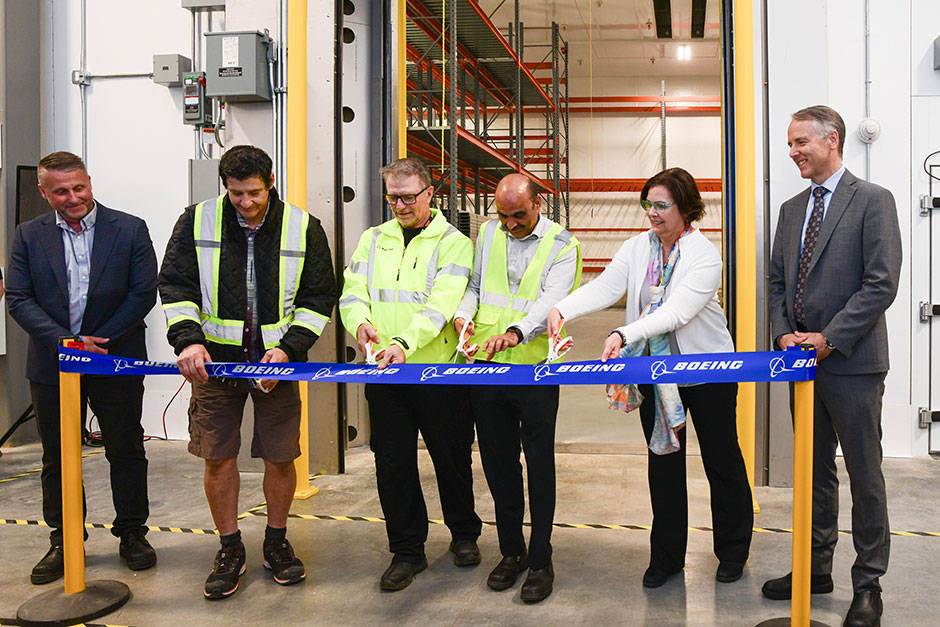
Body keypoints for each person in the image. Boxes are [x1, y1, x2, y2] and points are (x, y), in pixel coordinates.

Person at [547, 167, 753, 589]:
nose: (653, 213)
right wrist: (563, 309)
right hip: (656, 375)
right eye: (648, 205)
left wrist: (623, 333)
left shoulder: (703, 255)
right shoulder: (637, 247)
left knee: (722, 462)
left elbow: (676, 312)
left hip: (708, 373)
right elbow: (606, 288)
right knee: (663, 465)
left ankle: (732, 552)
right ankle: (666, 558)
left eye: (662, 205)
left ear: (686, 207)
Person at [158, 145, 336, 599]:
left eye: (254, 192)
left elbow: (319, 297)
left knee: (280, 455)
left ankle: (276, 542)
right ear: (226, 186)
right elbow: (175, 284)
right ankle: (230, 548)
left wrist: (290, 350)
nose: (246, 202)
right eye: (236, 193)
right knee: (218, 455)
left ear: (270, 182)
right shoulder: (196, 220)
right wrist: (189, 340)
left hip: (277, 363)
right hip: (214, 363)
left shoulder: (303, 226)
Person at [764, 105, 901, 627]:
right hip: (800, 365)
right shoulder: (791, 209)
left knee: (865, 476)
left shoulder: (872, 201)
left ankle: (868, 585)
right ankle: (814, 569)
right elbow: (778, 282)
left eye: (801, 142)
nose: (794, 151)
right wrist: (782, 334)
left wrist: (829, 338)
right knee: (813, 474)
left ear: (833, 140)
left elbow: (880, 283)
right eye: (791, 143)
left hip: (852, 363)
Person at [7, 151, 158, 584]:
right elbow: (18, 298)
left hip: (114, 357)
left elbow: (142, 292)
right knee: (57, 456)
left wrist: (99, 342)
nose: (73, 198)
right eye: (61, 191)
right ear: (44, 192)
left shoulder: (129, 229)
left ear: (89, 182)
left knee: (126, 449)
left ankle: (132, 534)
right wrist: (68, 343)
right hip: (53, 364)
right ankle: (64, 538)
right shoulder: (27, 236)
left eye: (79, 187)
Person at [339, 157, 482, 592]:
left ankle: (463, 535)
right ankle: (406, 550)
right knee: (393, 463)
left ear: (429, 193)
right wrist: (358, 324)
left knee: (451, 457)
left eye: (408, 196)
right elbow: (353, 292)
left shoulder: (453, 243)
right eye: (392, 197)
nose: (399, 205)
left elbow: (442, 305)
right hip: (385, 375)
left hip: (438, 373)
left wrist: (403, 343)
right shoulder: (373, 239)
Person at [455, 173, 581, 603]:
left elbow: (552, 299)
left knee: (539, 465)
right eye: (504, 216)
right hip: (486, 371)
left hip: (535, 371)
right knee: (498, 464)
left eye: (519, 216)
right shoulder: (488, 233)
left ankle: (542, 559)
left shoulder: (563, 245)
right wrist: (464, 318)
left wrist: (515, 331)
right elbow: (473, 287)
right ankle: (512, 552)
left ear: (538, 203)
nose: (511, 224)